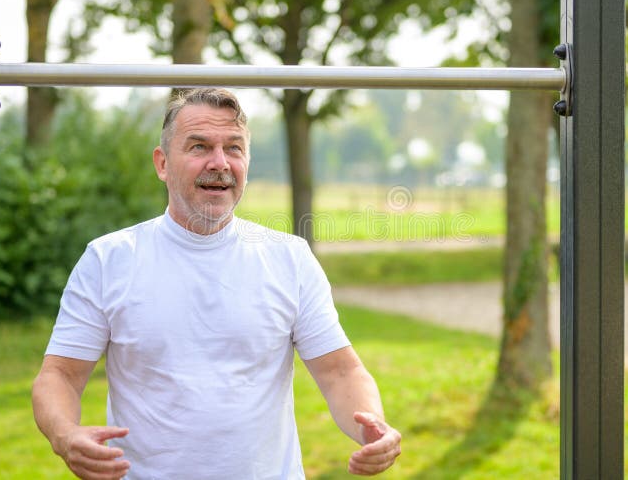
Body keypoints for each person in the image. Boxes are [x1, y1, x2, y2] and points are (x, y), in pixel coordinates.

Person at [32, 87, 401, 479]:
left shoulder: (289, 258)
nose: (220, 162)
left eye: (234, 148)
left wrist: (372, 425)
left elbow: (339, 372)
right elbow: (60, 376)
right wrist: (65, 435)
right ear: (162, 163)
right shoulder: (108, 260)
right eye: (199, 146)